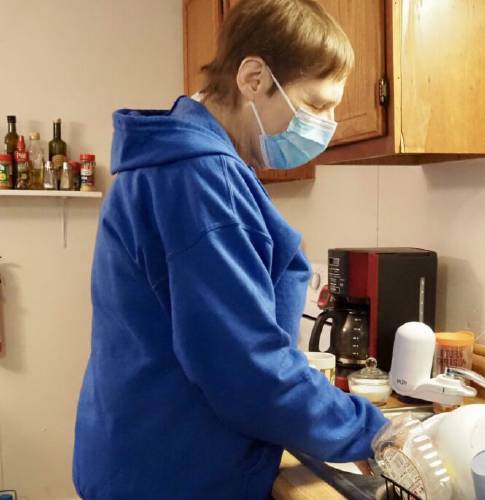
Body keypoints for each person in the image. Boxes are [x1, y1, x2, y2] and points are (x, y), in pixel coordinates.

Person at [72, 0, 387, 498]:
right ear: (254, 77)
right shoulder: (198, 177)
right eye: (317, 104)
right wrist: (374, 431)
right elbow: (245, 369)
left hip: (142, 451)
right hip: (175, 472)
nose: (327, 126)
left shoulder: (180, 163)